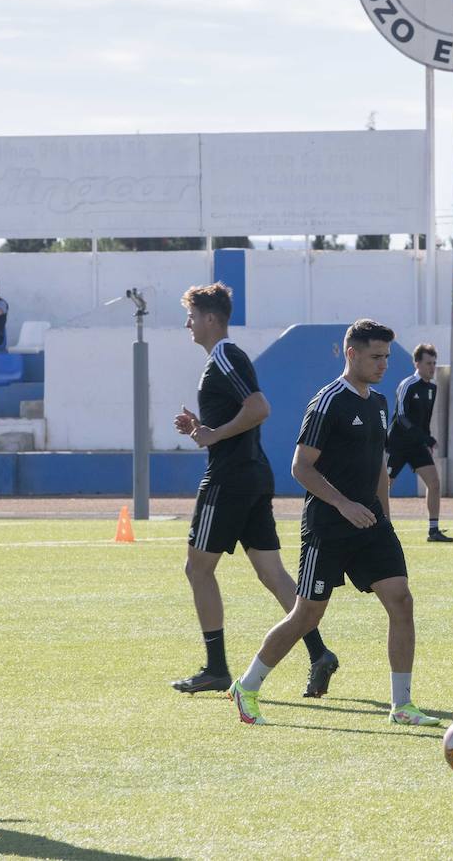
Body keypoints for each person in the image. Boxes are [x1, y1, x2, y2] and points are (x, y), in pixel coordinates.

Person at [228, 319, 440, 727]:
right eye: (375, 357)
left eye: (386, 357)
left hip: (371, 525)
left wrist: (385, 519)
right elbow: (300, 468)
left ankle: (402, 705)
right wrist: (343, 504)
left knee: (401, 600)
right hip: (328, 525)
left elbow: (379, 465)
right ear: (352, 354)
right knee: (306, 616)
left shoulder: (379, 403)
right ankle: (247, 685)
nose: (382, 365)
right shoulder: (327, 401)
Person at [170, 283, 339, 698]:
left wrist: (214, 436)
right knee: (271, 573)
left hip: (229, 478)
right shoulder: (223, 359)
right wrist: (202, 428)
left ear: (211, 318)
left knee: (197, 569)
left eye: (191, 315)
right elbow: (238, 416)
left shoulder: (224, 355)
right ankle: (319, 653)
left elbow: (259, 408)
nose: (187, 324)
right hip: (251, 475)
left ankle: (215, 668)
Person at [388, 343, 453, 543]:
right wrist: (425, 438)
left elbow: (424, 422)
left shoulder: (432, 389)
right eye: (428, 363)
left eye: (434, 363)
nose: (432, 367)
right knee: (383, 486)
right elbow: (401, 416)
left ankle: (433, 530)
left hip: (417, 445)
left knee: (434, 483)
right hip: (397, 444)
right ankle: (380, 527)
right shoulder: (408, 384)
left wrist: (426, 441)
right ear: (417, 363)